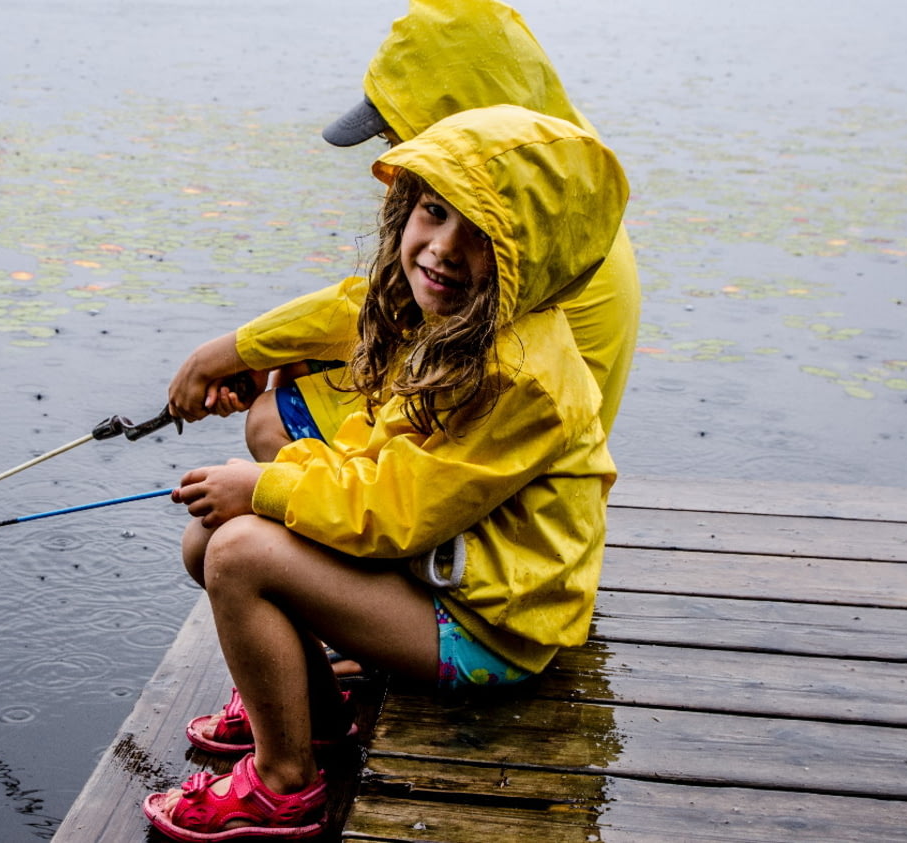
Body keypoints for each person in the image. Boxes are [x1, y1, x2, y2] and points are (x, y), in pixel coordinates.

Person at [142, 104, 628, 840]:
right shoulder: (456, 319)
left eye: (482, 233)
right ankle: (311, 714)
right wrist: (251, 389)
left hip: (491, 627)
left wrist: (265, 485)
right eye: (434, 211)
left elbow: (395, 513)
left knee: (238, 553)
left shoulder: (519, 376)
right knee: (207, 541)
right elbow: (378, 441)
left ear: (531, 256)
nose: (442, 248)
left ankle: (283, 786)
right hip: (439, 572)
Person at [167, 0, 642, 461]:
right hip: (472, 377)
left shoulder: (522, 222)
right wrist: (256, 354)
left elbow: (388, 311)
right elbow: (391, 310)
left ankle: (305, 528)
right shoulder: (555, 181)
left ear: (459, 118)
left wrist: (220, 355)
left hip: (495, 439)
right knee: (300, 363)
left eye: (397, 135)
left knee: (274, 418)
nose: (392, 150)